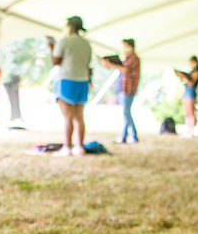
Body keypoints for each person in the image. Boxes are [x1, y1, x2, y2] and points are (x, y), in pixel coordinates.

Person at [50, 16, 93, 156]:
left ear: (70, 26)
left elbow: (56, 61)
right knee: (79, 116)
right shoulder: (86, 44)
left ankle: (67, 147)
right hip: (82, 80)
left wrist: (52, 48)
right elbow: (87, 64)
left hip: (67, 80)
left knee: (68, 117)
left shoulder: (64, 41)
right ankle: (79, 147)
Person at [102, 39, 141, 144]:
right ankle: (124, 136)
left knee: (126, 112)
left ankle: (133, 135)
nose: (123, 49)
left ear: (130, 46)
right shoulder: (127, 59)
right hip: (124, 88)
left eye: (125, 46)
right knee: (126, 112)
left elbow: (125, 69)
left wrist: (111, 65)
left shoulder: (134, 59)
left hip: (129, 89)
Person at [173, 57, 198, 137]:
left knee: (191, 112)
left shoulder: (196, 71)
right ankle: (188, 130)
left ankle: (191, 131)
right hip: (187, 92)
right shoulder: (192, 71)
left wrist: (183, 76)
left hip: (191, 93)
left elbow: (192, 83)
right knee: (187, 113)